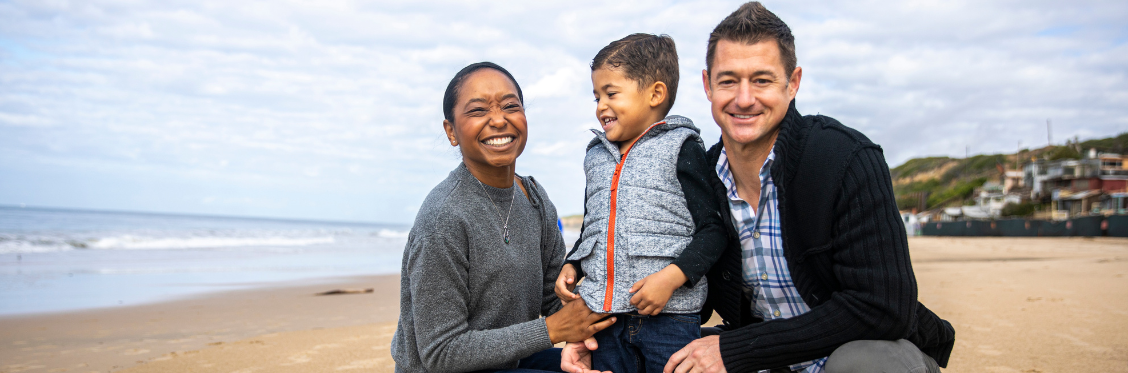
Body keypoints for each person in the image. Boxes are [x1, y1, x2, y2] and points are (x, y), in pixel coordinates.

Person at [565, 3, 956, 373]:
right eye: (729, 81)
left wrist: (735, 351)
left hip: (863, 353)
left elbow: (885, 308)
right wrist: (596, 330)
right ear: (707, 86)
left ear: (793, 83)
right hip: (766, 358)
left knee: (864, 365)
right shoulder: (701, 175)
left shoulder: (844, 158)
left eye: (762, 80)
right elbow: (665, 271)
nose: (744, 98)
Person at [391, 62, 617, 373]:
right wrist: (552, 330)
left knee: (618, 360)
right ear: (451, 132)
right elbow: (441, 352)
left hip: (509, 359)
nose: (499, 120)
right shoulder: (443, 219)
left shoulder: (534, 199)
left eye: (511, 106)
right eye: (478, 111)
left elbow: (556, 300)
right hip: (445, 368)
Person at [555, 34, 727, 373]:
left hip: (670, 321)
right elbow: (595, 227)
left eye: (611, 93)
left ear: (655, 94)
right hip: (604, 320)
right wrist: (572, 263)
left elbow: (713, 230)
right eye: (597, 96)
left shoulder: (682, 147)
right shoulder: (596, 156)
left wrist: (672, 278)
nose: (601, 105)